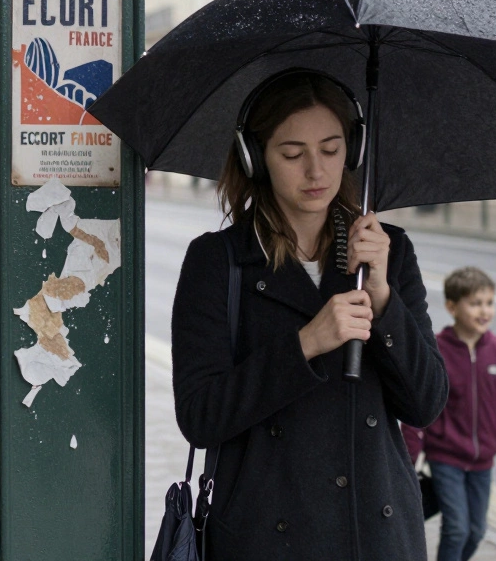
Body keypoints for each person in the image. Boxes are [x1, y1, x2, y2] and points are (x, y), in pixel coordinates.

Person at [171, 68, 448, 559]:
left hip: (377, 535)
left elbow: (426, 403)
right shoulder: (219, 261)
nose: (316, 172)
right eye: (293, 154)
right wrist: (306, 344)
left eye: (331, 148)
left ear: (354, 151)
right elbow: (200, 416)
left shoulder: (389, 251)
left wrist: (383, 299)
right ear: (255, 157)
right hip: (266, 537)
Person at [402, 267, 496, 561]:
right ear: (452, 307)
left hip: (482, 464)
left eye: (489, 303)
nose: (484, 311)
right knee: (457, 529)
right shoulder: (438, 349)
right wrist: (407, 460)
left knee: (476, 531)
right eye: (475, 303)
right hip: (446, 459)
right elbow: (420, 406)